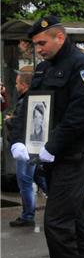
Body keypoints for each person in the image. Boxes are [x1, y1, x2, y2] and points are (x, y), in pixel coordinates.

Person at [9, 15, 84, 258]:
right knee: (75, 224)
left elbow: (81, 114)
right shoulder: (43, 69)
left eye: (41, 43)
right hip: (52, 157)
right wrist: (18, 142)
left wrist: (51, 144)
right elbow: (28, 106)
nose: (38, 50)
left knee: (56, 223)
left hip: (75, 156)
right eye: (35, 44)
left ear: (59, 37)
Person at [6, 66, 37, 227]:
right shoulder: (33, 99)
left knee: (25, 183)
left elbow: (20, 124)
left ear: (24, 85)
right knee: (39, 179)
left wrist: (9, 120)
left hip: (25, 148)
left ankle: (28, 215)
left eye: (18, 83)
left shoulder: (24, 101)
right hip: (34, 148)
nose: (16, 86)